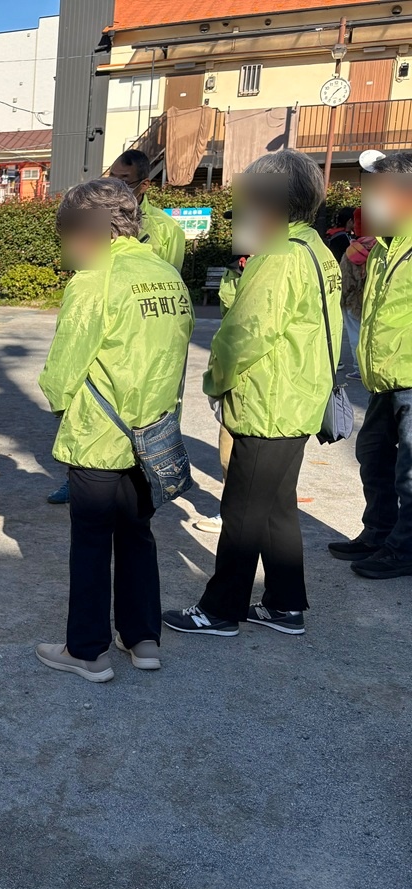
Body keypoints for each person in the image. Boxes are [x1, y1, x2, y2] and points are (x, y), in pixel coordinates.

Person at [164, 149, 341, 638]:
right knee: (277, 508)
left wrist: (215, 383)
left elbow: (245, 333)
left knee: (242, 511)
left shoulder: (279, 256)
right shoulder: (313, 248)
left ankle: (221, 609)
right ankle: (285, 603)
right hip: (298, 398)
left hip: (270, 402)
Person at [36, 178, 193, 682]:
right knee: (137, 535)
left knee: (90, 543)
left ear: (85, 232)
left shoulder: (94, 280)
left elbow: (62, 375)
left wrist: (59, 401)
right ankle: (143, 637)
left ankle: (86, 651)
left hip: (99, 435)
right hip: (154, 433)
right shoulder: (167, 274)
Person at [328, 150, 412, 580]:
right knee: (372, 453)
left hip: (410, 377)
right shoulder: (382, 245)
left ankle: (404, 548)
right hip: (386, 376)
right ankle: (378, 531)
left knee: (409, 472)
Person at [193, 252, 249, 535]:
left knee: (252, 452)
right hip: (231, 363)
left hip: (255, 369)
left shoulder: (277, 262)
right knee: (228, 450)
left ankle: (239, 515)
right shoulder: (234, 266)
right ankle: (232, 510)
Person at [109, 149, 186, 271]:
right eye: (111, 179)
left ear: (144, 185)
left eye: (124, 181)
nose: (114, 187)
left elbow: (172, 278)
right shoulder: (94, 218)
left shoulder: (168, 228)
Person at [339, 206, 374, 381]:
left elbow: (345, 280)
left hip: (353, 301)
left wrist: (342, 299)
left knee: (355, 336)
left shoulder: (353, 250)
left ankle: (358, 369)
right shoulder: (380, 248)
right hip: (372, 300)